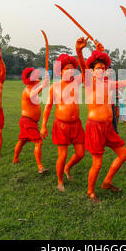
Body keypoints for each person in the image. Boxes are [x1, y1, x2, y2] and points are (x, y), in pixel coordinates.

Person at [76, 37, 126, 203]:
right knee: (97, 163)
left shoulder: (109, 83)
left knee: (123, 155)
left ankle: (107, 182)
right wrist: (79, 50)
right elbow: (82, 64)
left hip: (108, 127)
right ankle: (90, 192)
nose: (102, 70)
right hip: (95, 127)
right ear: (92, 70)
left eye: (104, 67)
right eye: (98, 68)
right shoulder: (89, 82)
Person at [41, 53, 85, 191]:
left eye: (72, 68)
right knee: (63, 154)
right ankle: (60, 180)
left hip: (76, 124)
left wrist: (79, 51)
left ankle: (67, 167)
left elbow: (86, 70)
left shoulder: (76, 82)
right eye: (67, 68)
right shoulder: (55, 87)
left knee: (80, 153)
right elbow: (48, 107)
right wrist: (43, 126)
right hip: (61, 125)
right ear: (60, 71)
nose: (70, 70)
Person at [13, 67, 49, 173]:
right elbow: (33, 94)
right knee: (38, 141)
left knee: (22, 141)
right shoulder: (28, 90)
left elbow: (41, 83)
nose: (37, 77)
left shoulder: (34, 85)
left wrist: (45, 80)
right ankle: (40, 167)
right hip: (27, 121)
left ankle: (15, 159)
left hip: (29, 121)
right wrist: (43, 85)